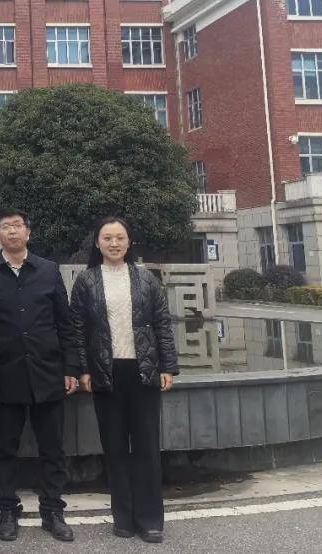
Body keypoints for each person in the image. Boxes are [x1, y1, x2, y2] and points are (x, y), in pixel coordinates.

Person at [0, 209, 79, 543]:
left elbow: (65, 323)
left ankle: (53, 511)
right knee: (4, 449)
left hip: (47, 372)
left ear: (28, 233)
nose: (12, 231)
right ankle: (7, 510)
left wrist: (72, 368)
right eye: (6, 227)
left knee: (52, 448)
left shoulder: (48, 270)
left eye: (18, 226)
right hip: (5, 374)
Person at [69, 217, 178, 544]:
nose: (114, 244)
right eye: (107, 238)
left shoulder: (146, 279)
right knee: (115, 448)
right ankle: (124, 517)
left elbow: (162, 324)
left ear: (129, 242)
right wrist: (83, 370)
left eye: (120, 238)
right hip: (106, 373)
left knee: (146, 447)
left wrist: (167, 366)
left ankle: (150, 520)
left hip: (143, 372)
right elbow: (78, 330)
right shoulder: (86, 281)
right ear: (97, 243)